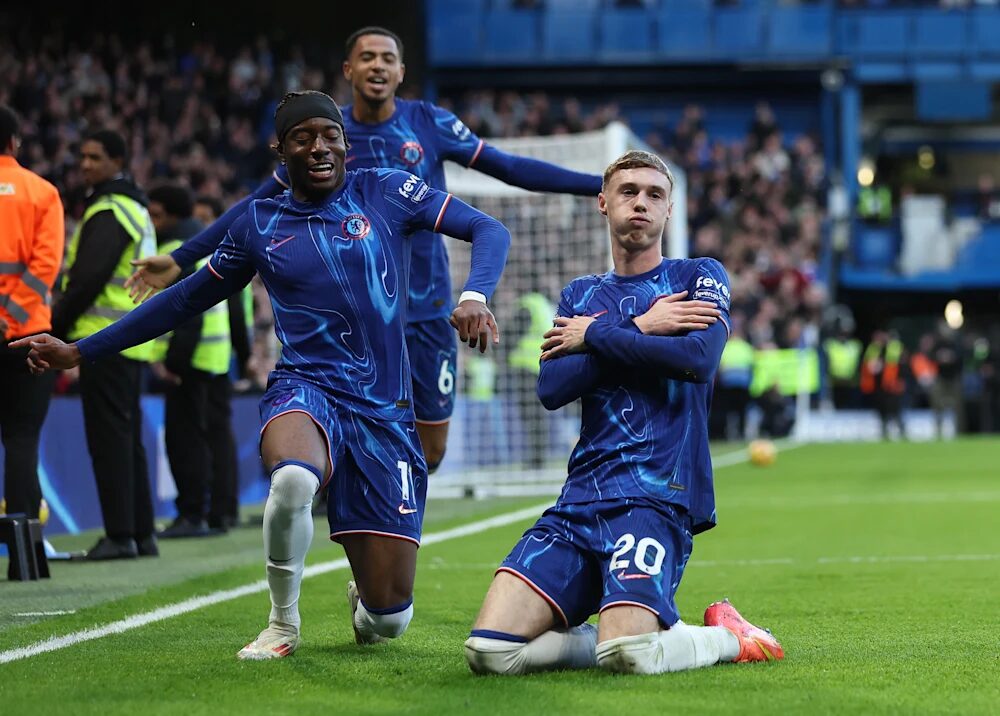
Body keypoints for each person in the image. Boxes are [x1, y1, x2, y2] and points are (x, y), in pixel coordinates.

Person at [15, 91, 510, 660]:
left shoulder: (388, 189)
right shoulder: (260, 222)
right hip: (307, 386)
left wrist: (475, 295)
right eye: (304, 138)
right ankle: (282, 623)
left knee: (389, 619)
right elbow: (183, 299)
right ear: (281, 151)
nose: (319, 146)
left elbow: (488, 230)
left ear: (345, 143)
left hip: (384, 411)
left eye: (330, 135)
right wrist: (81, 350)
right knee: (294, 481)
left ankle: (367, 599)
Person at [125, 26, 601, 476]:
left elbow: (508, 167)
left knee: (430, 451)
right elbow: (255, 205)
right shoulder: (321, 133)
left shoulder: (427, 123)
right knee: (344, 433)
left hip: (425, 308)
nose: (378, 65)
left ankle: (375, 501)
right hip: (349, 320)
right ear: (348, 70)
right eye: (367, 57)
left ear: (401, 73)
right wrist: (183, 256)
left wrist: (599, 184)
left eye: (388, 59)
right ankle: (346, 501)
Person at [463, 150, 783, 677]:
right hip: (579, 501)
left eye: (655, 195)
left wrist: (596, 338)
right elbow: (553, 386)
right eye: (629, 191)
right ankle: (620, 627)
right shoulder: (581, 294)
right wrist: (640, 327)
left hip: (655, 498)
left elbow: (697, 361)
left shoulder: (697, 275)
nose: (641, 203)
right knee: (490, 652)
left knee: (628, 655)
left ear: (669, 211)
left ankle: (729, 636)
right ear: (603, 203)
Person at [49, 129, 159, 560]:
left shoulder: (109, 208)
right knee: (127, 440)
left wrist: (54, 326)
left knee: (110, 440)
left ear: (118, 160)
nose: (85, 164)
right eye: (82, 156)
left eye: (95, 157)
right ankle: (141, 533)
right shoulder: (135, 207)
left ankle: (119, 535)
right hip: (130, 341)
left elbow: (87, 280)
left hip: (104, 341)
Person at [146, 184, 234, 538]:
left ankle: (192, 514)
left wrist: (174, 362)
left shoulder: (174, 252)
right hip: (212, 357)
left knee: (186, 442)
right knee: (209, 438)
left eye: (156, 215)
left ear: (171, 215)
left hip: (188, 361)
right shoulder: (206, 248)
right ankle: (214, 512)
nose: (152, 222)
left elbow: (186, 311)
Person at [0, 105, 65, 521]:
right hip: (26, 338)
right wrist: (8, 317)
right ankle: (24, 551)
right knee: (22, 438)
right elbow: (44, 268)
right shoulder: (42, 193)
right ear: (13, 142)